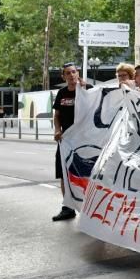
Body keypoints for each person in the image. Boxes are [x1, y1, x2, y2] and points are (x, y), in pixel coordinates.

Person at [52, 63, 88, 222]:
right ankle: (68, 207)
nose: (72, 75)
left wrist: (85, 89)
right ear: (64, 76)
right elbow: (57, 115)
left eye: (74, 72)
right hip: (66, 141)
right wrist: (57, 130)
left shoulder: (87, 89)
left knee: (84, 174)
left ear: (78, 73)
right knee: (64, 173)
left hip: (84, 141)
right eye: (68, 73)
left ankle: (87, 209)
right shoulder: (61, 93)